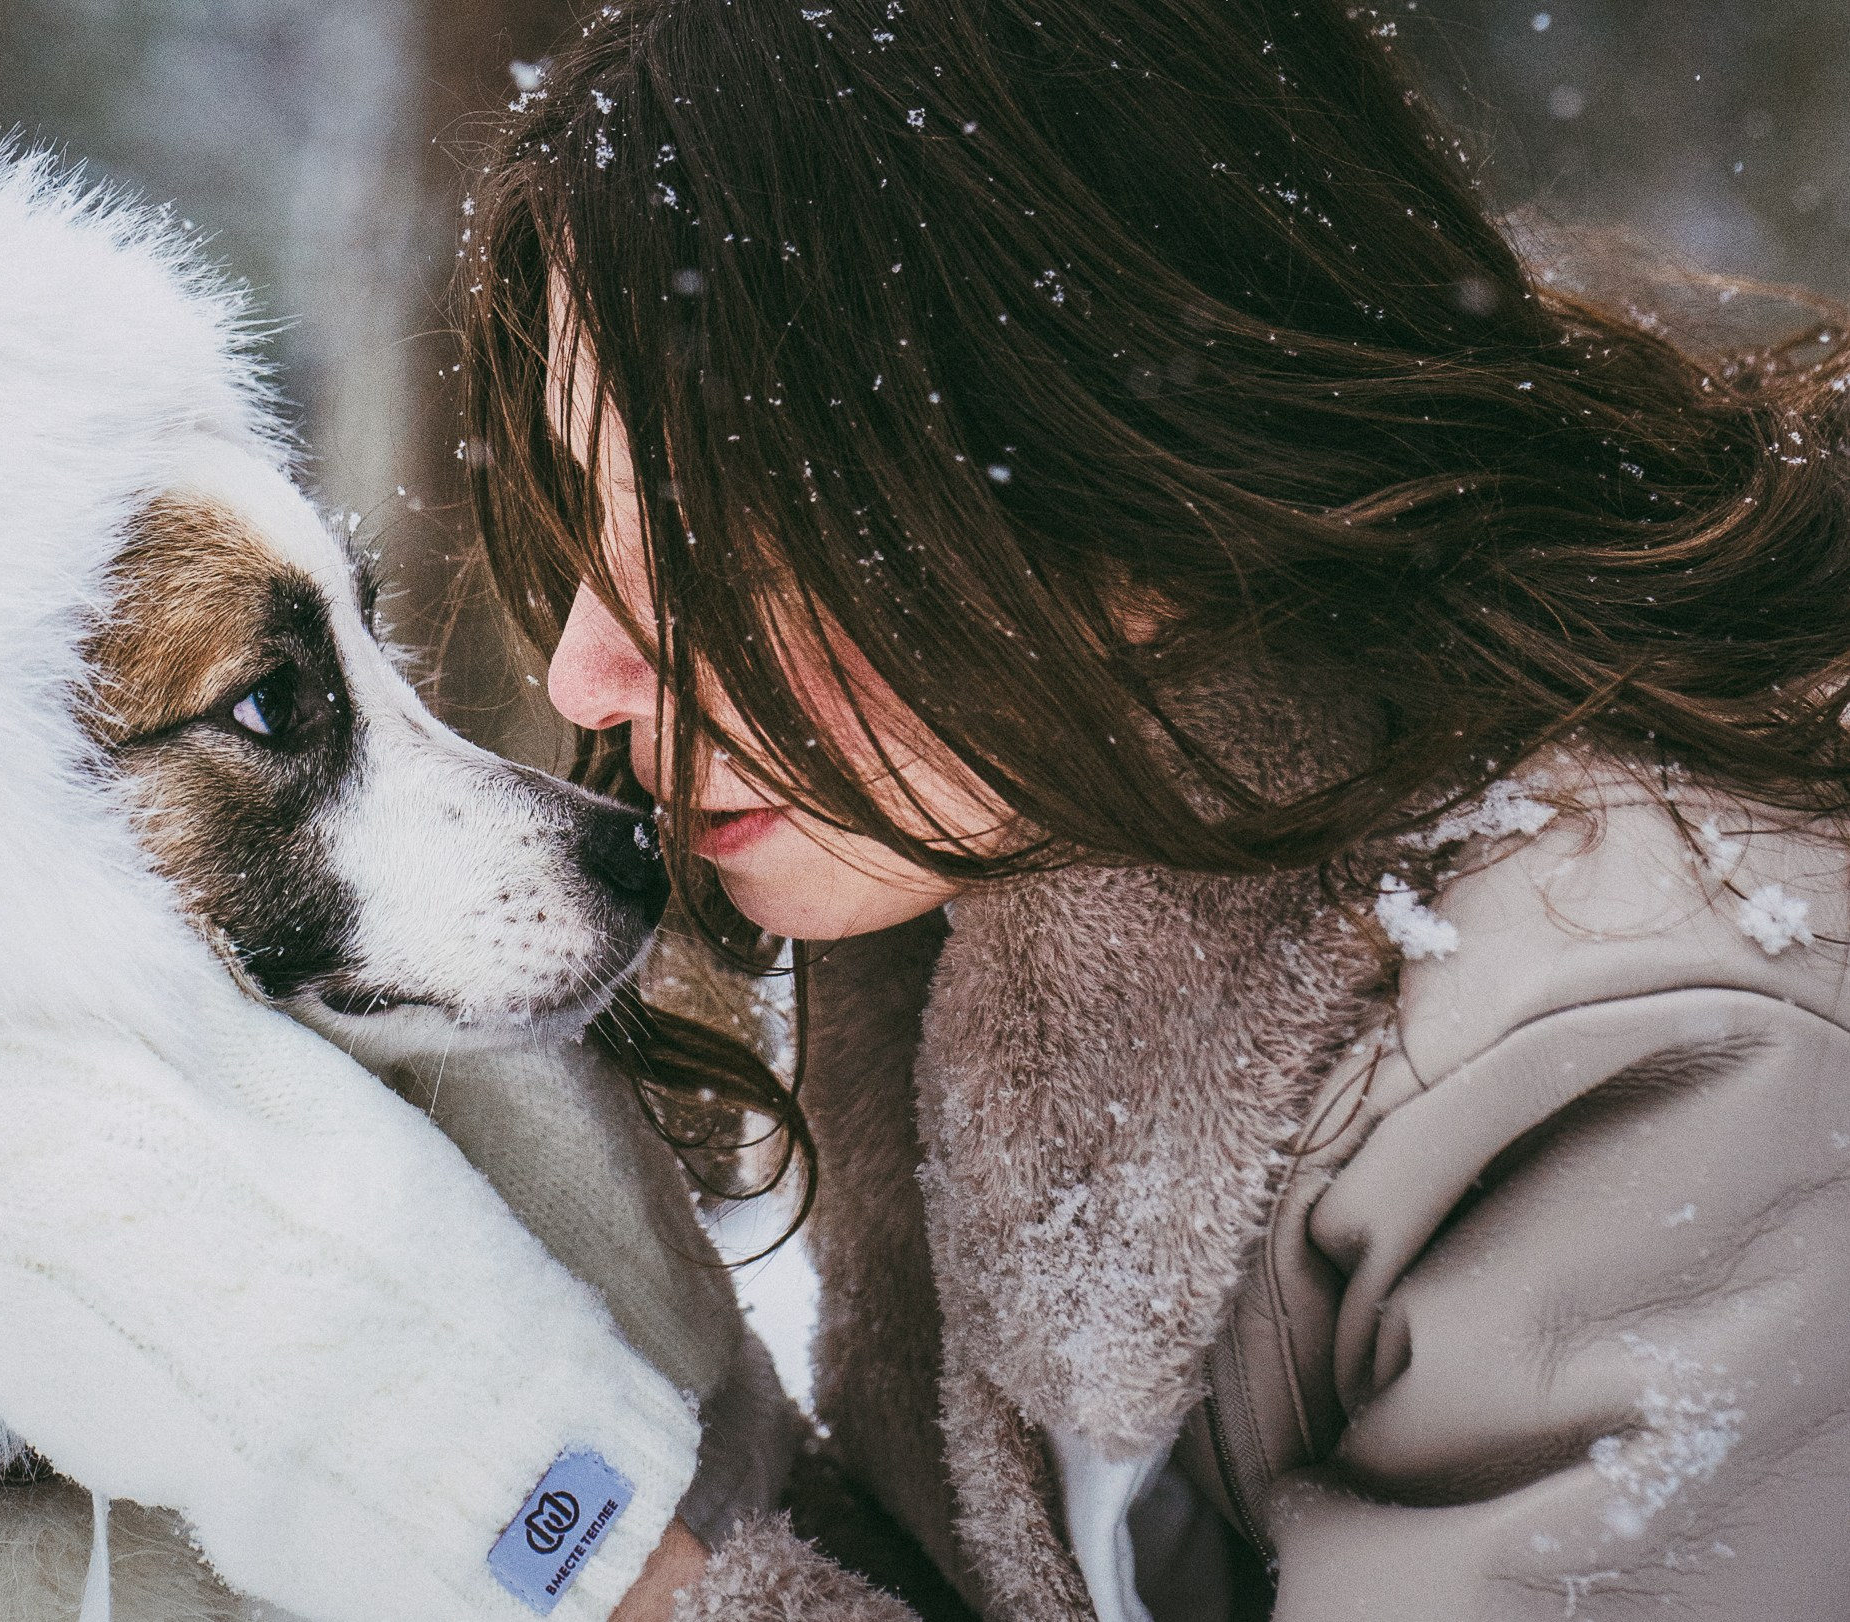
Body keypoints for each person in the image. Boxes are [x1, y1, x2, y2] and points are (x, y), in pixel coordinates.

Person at [455, 2, 1850, 1618]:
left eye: (703, 552)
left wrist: (627, 1588)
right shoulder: (1036, 843)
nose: (583, 675)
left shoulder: (1658, 1066)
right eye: (585, 542)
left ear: (1092, 454)